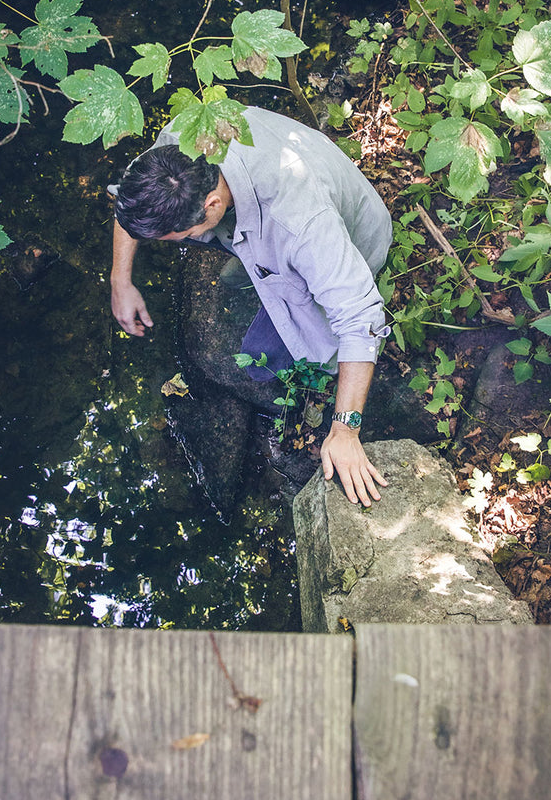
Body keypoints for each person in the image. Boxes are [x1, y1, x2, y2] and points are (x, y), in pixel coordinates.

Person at [110, 105, 393, 507]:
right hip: (273, 225)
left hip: (354, 242)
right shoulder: (183, 140)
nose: (172, 243)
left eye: (178, 234)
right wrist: (120, 280)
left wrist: (345, 430)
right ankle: (250, 258)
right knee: (231, 276)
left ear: (210, 206)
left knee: (260, 361)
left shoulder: (299, 220)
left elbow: (362, 317)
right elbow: (129, 204)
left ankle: (272, 278)